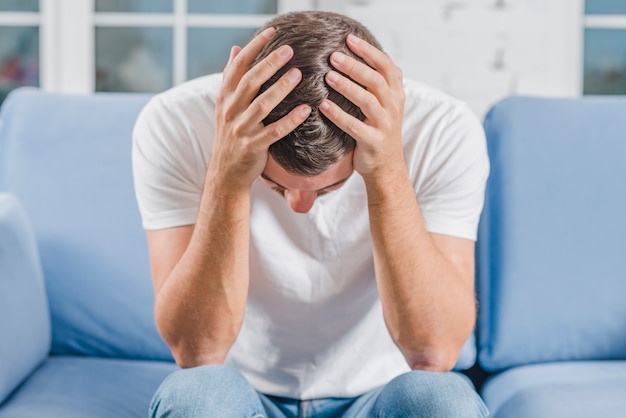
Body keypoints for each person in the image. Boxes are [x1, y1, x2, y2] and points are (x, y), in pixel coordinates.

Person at [132, 10, 489, 418]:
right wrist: (228, 176)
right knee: (196, 398)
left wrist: (387, 172)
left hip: (377, 395)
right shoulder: (174, 122)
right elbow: (197, 351)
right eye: (275, 184)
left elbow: (435, 351)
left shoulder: (443, 129)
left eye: (330, 188)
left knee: (445, 403)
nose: (299, 206)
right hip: (243, 393)